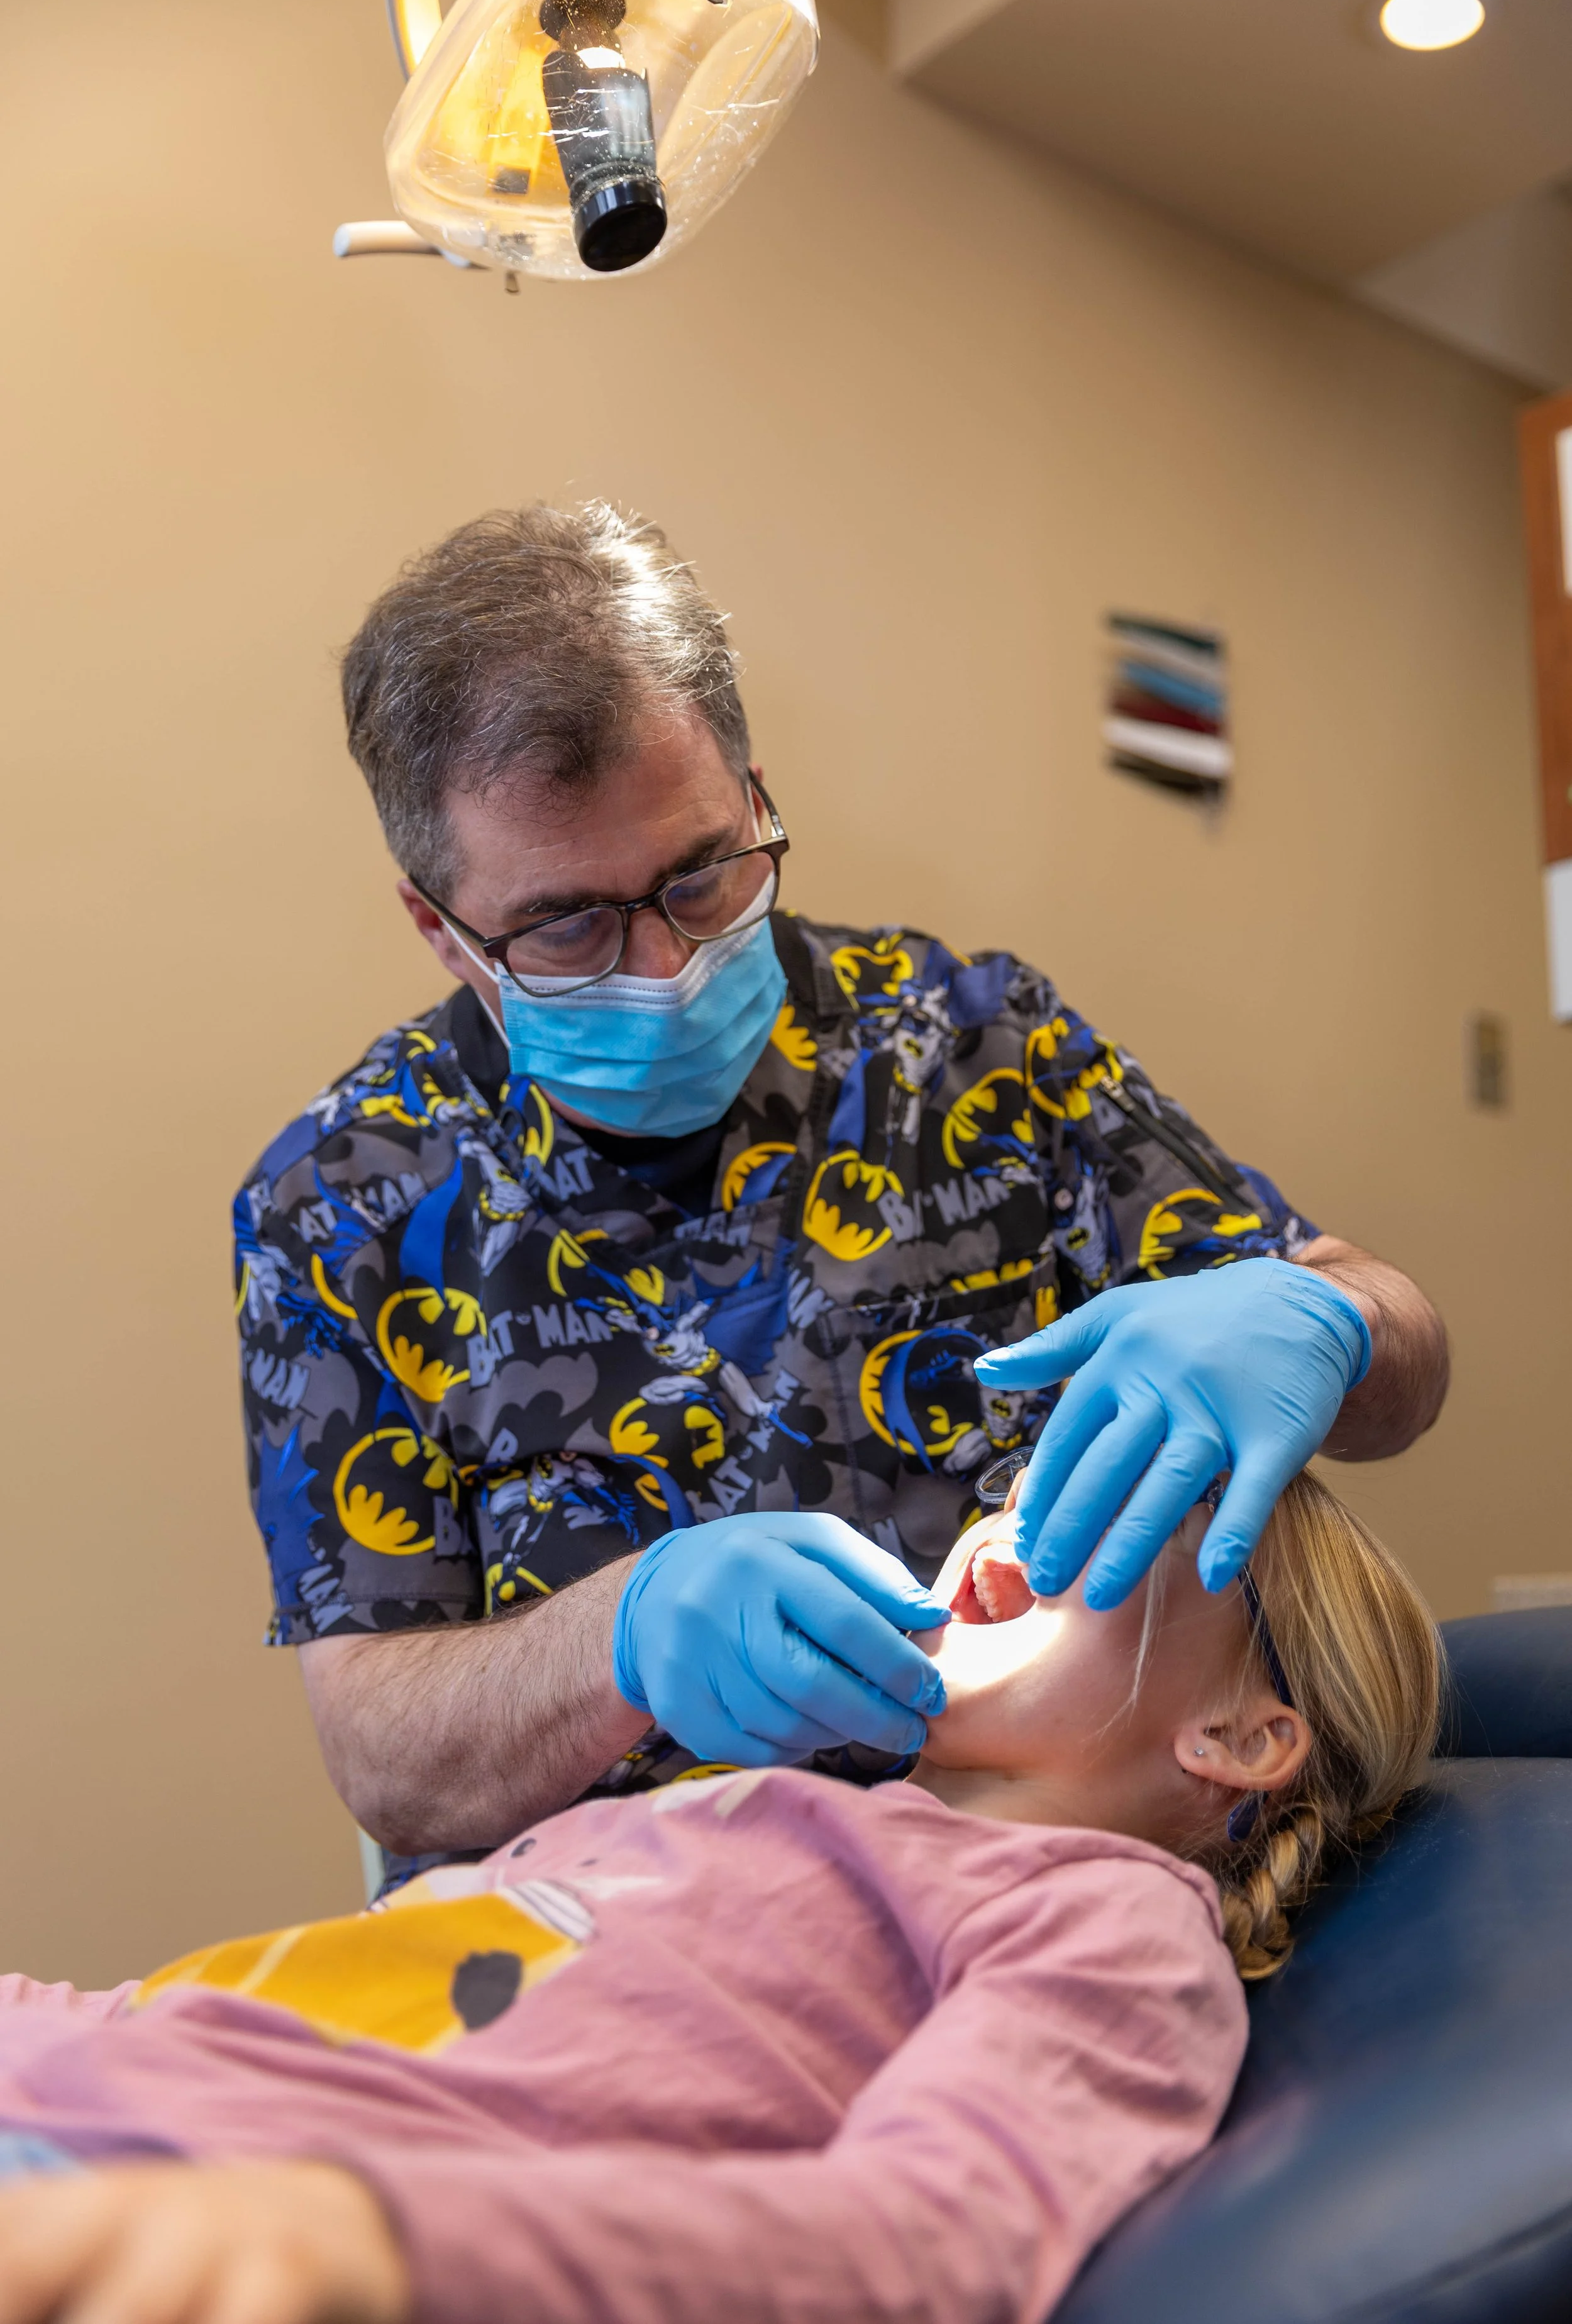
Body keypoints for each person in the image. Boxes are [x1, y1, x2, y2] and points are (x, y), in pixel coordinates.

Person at [234, 501, 1449, 1865]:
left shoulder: (976, 1043)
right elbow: (388, 1766)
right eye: (567, 923)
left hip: (1009, 1867)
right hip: (600, 1942)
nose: (662, 964)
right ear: (442, 931)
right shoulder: (340, 1201)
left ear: (753, 795)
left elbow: (1393, 1362)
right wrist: (617, 1638)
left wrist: (1332, 1323)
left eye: (701, 874)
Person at [0, 1473, 1439, 2324]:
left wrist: (356, 2247)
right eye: (1036, 1470)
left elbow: (930, 2239)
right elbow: (234, 2014)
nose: (1020, 1503)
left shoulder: (1098, 1919)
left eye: (1123, 1498)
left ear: (1242, 1737)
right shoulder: (721, 1812)